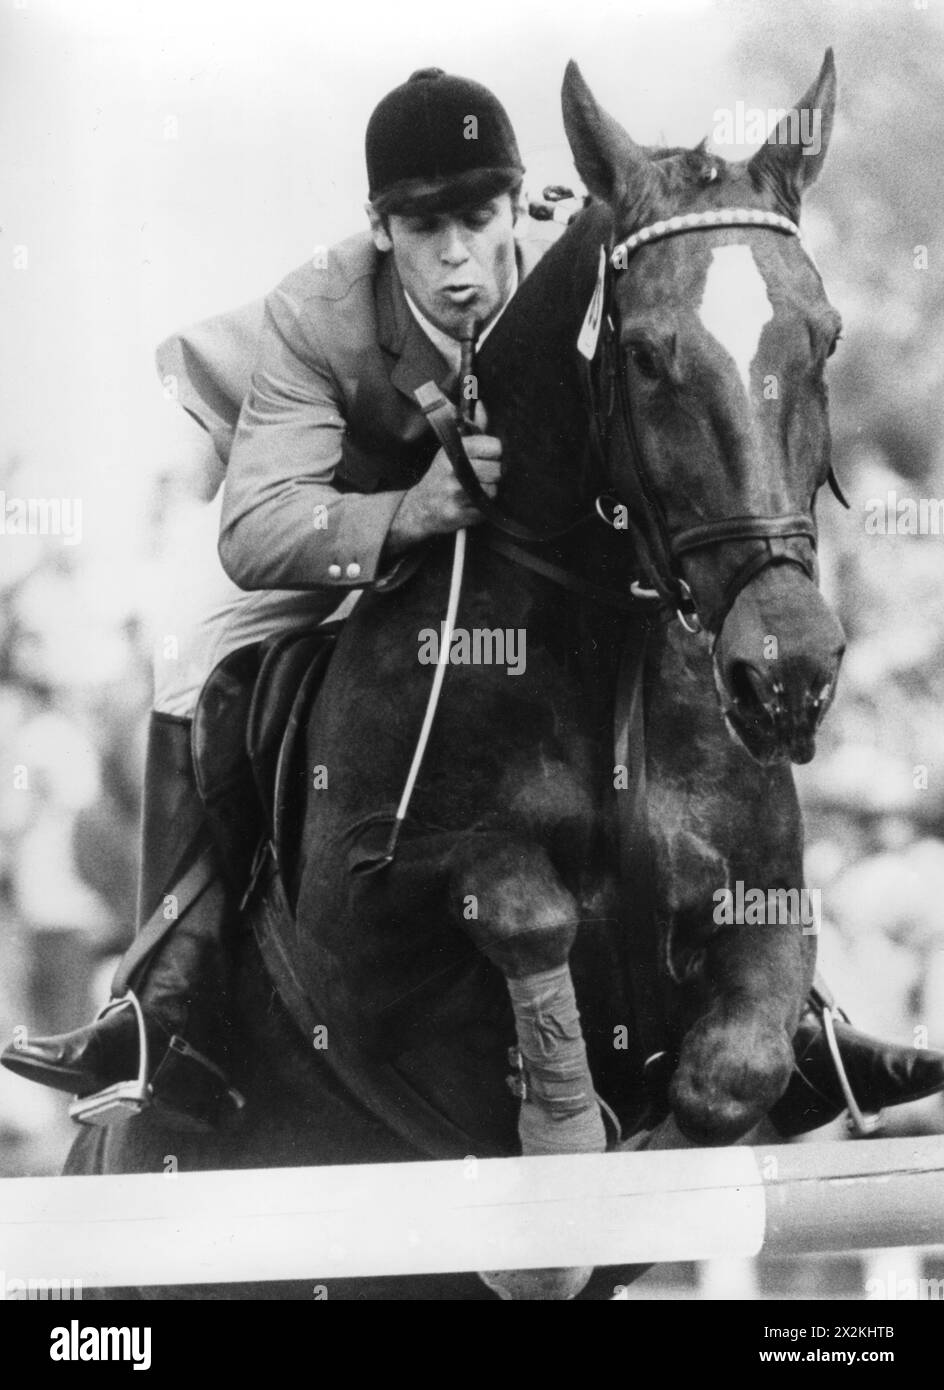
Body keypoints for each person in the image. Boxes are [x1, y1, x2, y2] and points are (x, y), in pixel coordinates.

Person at [4, 67, 943, 1137]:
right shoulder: (314, 318)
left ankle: (798, 1008)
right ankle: (166, 995)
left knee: (717, 641)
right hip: (353, 522)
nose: (458, 258)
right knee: (196, 655)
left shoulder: (587, 258)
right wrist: (411, 510)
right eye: (424, 227)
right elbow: (255, 528)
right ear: (381, 228)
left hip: (542, 550)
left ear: (517, 204)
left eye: (478, 219)